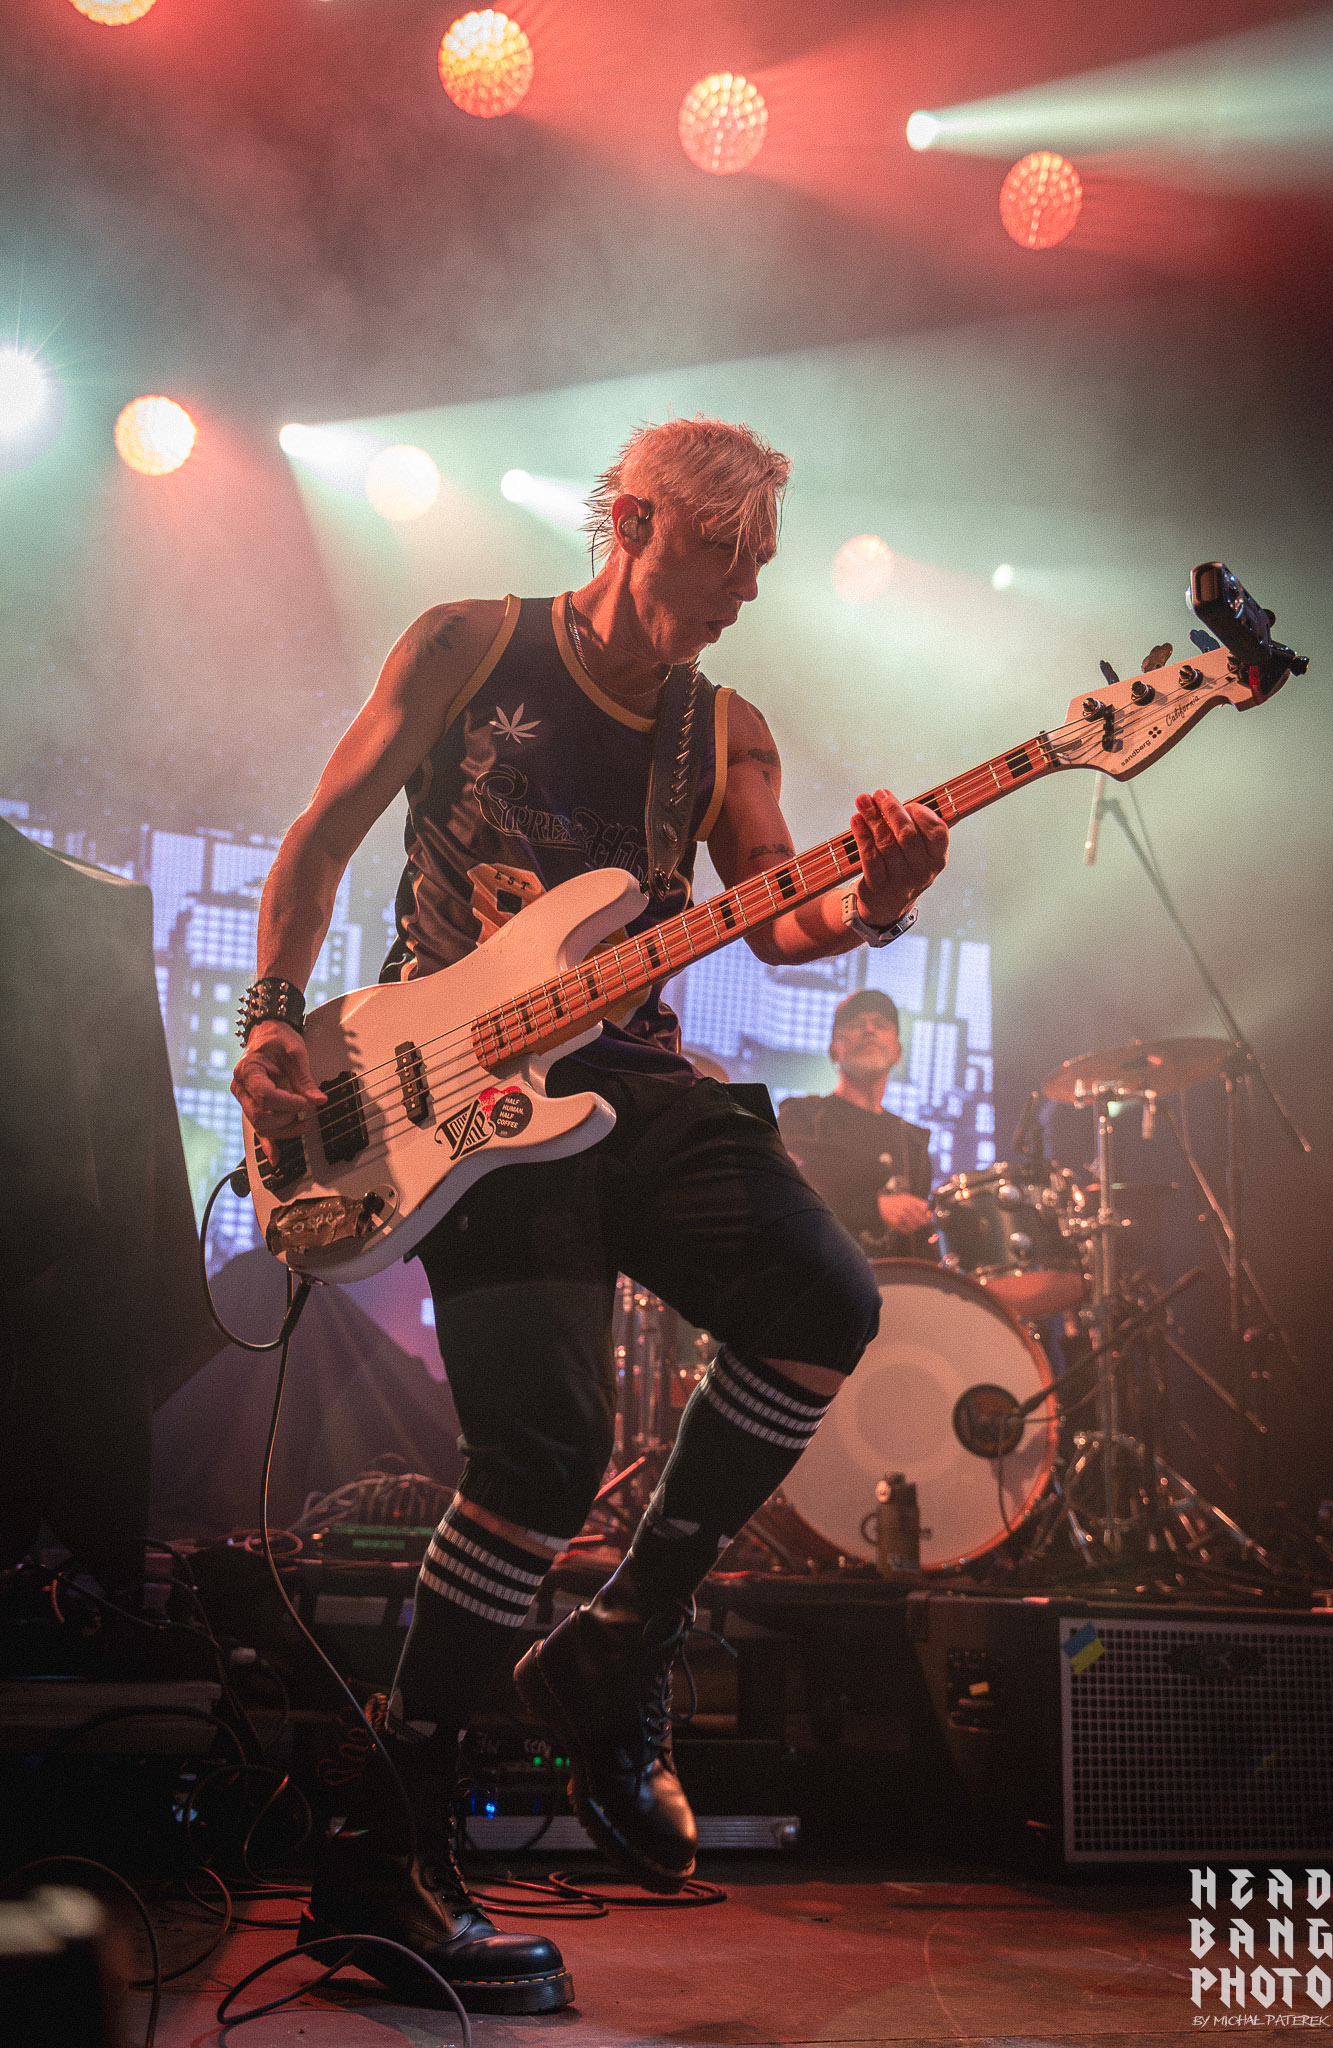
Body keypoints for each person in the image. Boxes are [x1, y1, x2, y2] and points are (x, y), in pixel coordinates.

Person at [231, 416, 948, 2011]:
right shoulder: (468, 643)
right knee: (544, 1456)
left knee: (826, 1300)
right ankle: (385, 1846)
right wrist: (271, 1013)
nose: (746, 588)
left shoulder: (724, 728)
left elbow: (779, 915)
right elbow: (323, 836)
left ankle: (625, 1637)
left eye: (763, 563)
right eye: (722, 553)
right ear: (632, 522)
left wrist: (881, 901)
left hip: (629, 1080)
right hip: (458, 1096)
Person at [778, 988, 937, 1261]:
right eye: (854, 1024)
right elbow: (783, 1201)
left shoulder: (913, 1142)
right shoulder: (801, 1118)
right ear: (833, 1049)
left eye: (881, 1024)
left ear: (898, 1051)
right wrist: (874, 1210)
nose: (869, 1030)